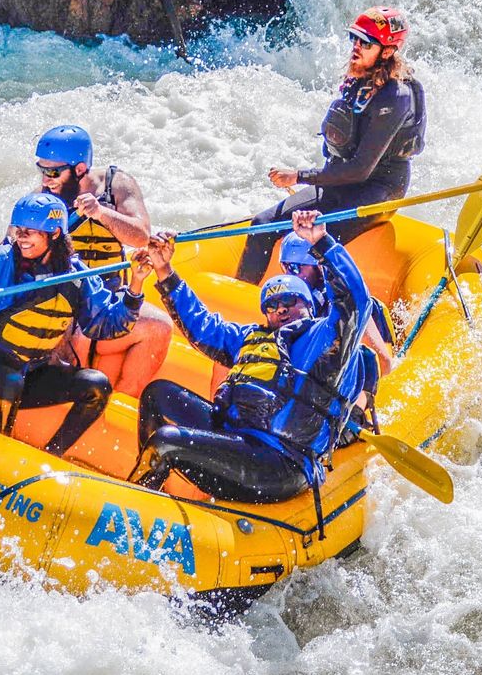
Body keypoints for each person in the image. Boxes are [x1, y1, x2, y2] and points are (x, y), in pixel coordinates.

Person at [127, 211, 371, 503]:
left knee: (166, 441)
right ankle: (156, 482)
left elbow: (356, 303)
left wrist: (321, 242)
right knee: (159, 393)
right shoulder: (252, 339)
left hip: (280, 462)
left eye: (288, 301)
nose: (280, 309)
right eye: (272, 305)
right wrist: (164, 270)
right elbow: (203, 327)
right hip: (237, 439)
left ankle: (140, 499)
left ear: (307, 305)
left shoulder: (323, 343)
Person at [0, 192, 144, 457]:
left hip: (30, 371)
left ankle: (53, 453)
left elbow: (106, 324)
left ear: (55, 234)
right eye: (18, 230)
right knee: (8, 380)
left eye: (29, 232)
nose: (20, 238)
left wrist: (135, 285)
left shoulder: (77, 276)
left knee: (96, 385)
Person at [236, 6, 427, 283]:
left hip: (377, 190)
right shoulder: (358, 77)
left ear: (387, 51)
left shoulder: (395, 97)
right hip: (340, 182)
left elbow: (361, 169)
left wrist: (300, 176)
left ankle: (309, 314)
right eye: (355, 39)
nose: (357, 47)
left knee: (307, 244)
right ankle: (242, 300)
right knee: (262, 225)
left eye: (367, 43)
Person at [34, 124, 172, 398]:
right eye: (41, 169)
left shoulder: (117, 185)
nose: (46, 179)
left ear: (80, 169)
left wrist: (101, 213)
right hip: (67, 299)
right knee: (74, 338)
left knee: (160, 328)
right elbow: (12, 250)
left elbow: (141, 235)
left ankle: (123, 400)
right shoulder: (43, 200)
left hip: (111, 296)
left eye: (53, 171)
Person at [279, 231, 396, 377]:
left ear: (319, 268)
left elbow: (383, 364)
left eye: (295, 268)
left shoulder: (345, 304)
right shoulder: (293, 305)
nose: (289, 276)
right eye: (285, 268)